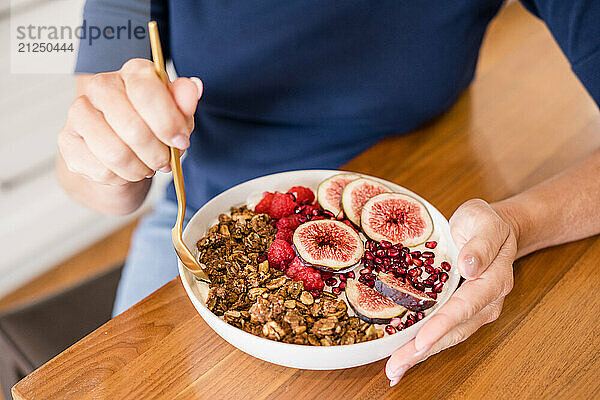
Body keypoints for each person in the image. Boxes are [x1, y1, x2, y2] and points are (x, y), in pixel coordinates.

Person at [57, 0, 600, 386]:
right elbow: (88, 173)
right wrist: (108, 161)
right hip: (200, 212)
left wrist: (522, 224)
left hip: (436, 203)